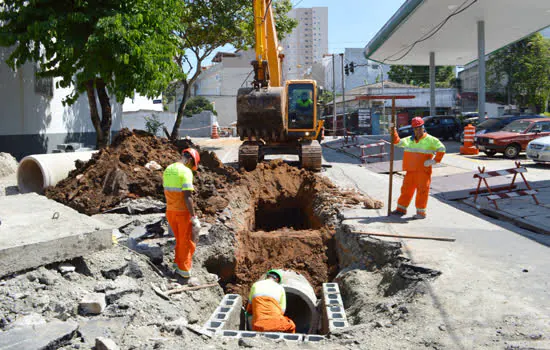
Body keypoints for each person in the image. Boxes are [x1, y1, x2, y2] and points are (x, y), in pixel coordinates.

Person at [391, 117, 446, 219]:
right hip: (410, 171)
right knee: (406, 190)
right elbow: (397, 142)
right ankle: (401, 209)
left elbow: (442, 148)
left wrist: (435, 160)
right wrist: (393, 130)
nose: (418, 130)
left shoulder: (431, 140)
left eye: (419, 128)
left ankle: (421, 213)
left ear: (423, 127)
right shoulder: (409, 140)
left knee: (422, 191)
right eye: (416, 128)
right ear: (413, 129)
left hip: (423, 172)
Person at [163, 148, 201, 280]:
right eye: (192, 165)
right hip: (182, 212)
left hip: (170, 211)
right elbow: (188, 196)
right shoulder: (186, 171)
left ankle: (177, 264)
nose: (192, 168)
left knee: (179, 239)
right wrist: (193, 216)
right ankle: (184, 271)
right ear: (190, 160)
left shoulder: (168, 169)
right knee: (186, 241)